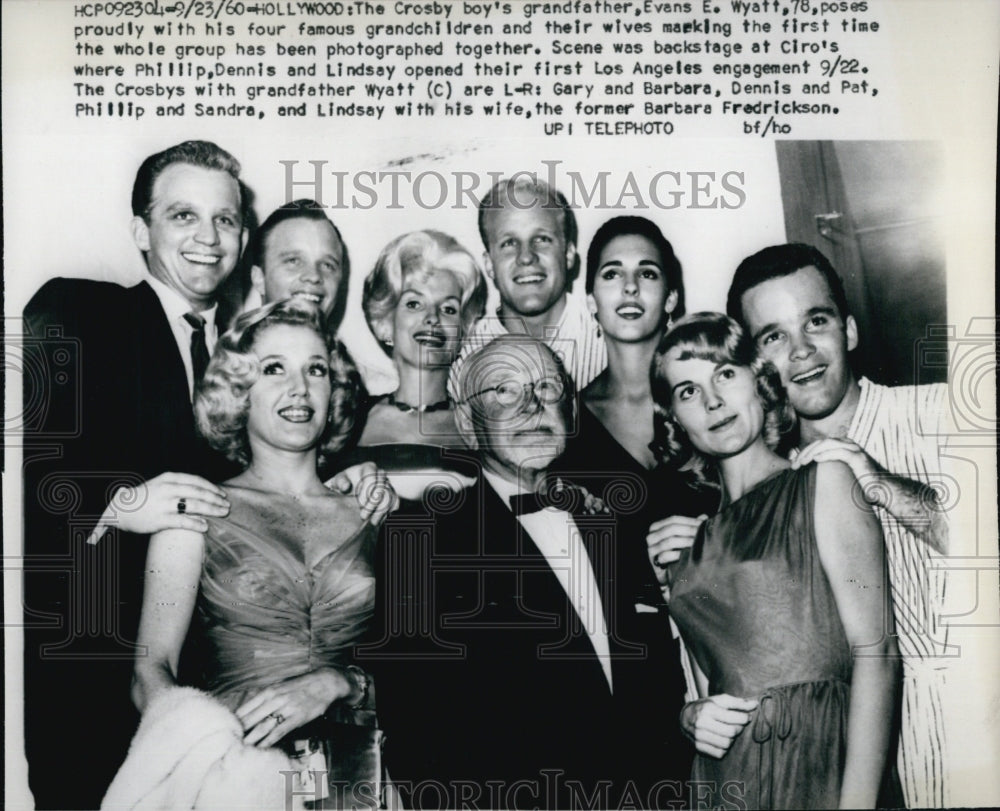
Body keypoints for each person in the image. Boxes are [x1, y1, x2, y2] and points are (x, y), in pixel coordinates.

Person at [366, 335, 690, 810]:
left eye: (547, 388)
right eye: (503, 391)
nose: (532, 407)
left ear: (571, 412)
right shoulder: (421, 541)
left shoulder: (619, 527)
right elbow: (418, 738)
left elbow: (659, 698)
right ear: (467, 424)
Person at [22, 140, 250, 808]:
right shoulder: (79, 314)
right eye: (184, 216)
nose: (208, 238)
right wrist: (118, 500)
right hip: (93, 690)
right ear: (141, 231)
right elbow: (22, 465)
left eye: (225, 220)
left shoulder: (254, 357)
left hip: (219, 694)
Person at [125, 301, 380, 807]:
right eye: (273, 369)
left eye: (316, 369)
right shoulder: (194, 510)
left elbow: (426, 672)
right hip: (230, 778)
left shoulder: (372, 511)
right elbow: (149, 672)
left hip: (359, 776)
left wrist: (342, 683)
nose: (299, 389)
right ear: (239, 391)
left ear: (336, 390)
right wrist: (210, 753)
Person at [726, 242, 951, 807]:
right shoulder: (769, 490)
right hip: (845, 776)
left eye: (816, 321)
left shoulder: (940, 413)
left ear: (848, 330)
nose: (801, 352)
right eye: (773, 336)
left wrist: (878, 482)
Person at [648, 312, 898, 809]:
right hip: (730, 783)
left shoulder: (824, 482)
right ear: (675, 420)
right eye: (688, 391)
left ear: (759, 381)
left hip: (822, 764)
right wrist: (690, 715)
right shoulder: (684, 548)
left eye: (724, 373)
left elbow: (880, 657)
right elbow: (708, 688)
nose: (713, 400)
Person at [554, 216, 717, 790]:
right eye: (611, 274)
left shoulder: (715, 407)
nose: (628, 288)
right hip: (613, 687)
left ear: (670, 296)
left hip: (721, 664)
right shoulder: (559, 424)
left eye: (646, 273)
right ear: (591, 297)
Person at [450, 175, 606, 394]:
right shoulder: (460, 362)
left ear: (568, 254)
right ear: (489, 264)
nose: (526, 257)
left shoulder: (611, 343)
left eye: (541, 239)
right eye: (509, 243)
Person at [358, 229, 487, 451]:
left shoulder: (485, 429)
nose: (432, 318)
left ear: (463, 332)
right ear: (386, 323)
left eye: (448, 308)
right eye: (414, 304)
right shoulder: (349, 421)